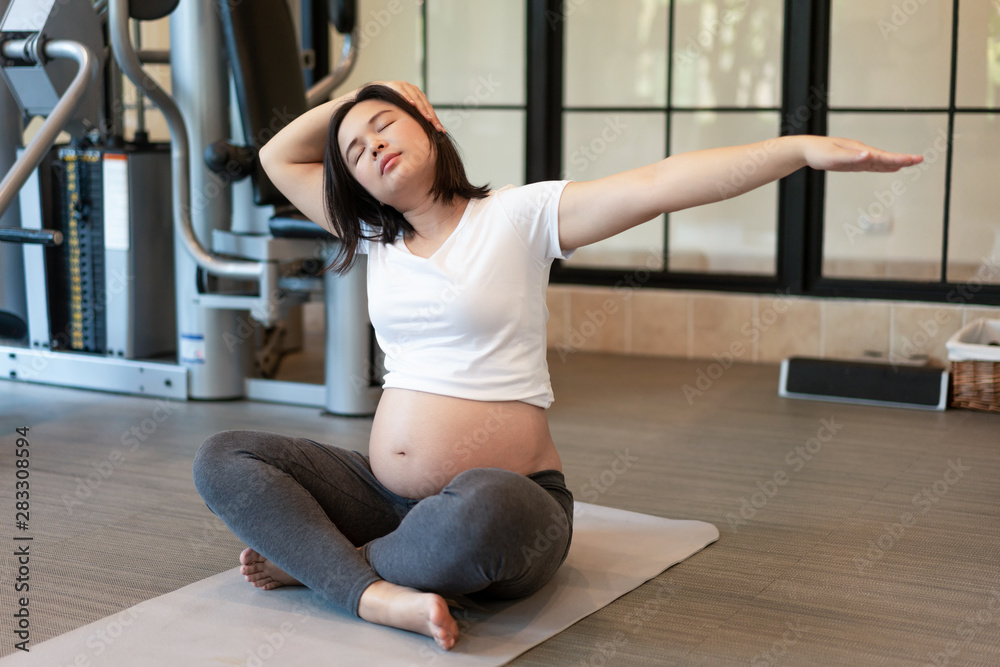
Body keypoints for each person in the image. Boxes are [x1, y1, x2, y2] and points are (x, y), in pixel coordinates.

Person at [192, 80, 922, 651]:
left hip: (512, 503)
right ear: (357, 187)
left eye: (385, 125)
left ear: (429, 121)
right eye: (354, 151)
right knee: (226, 455)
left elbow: (664, 182)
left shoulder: (518, 216)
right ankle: (372, 584)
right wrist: (361, 97)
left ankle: (327, 564)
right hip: (385, 493)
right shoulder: (377, 241)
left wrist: (796, 150)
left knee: (485, 509)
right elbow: (275, 157)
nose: (370, 145)